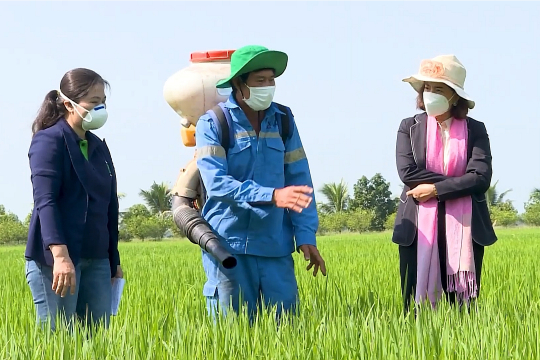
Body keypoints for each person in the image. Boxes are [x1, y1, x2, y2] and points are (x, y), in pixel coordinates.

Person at [195, 45, 326, 321]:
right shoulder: (214, 123)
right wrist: (272, 195)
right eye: (260, 81)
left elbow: (300, 181)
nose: (268, 86)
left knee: (286, 329)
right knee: (233, 334)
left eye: (271, 80)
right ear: (238, 84)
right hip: (228, 245)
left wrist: (305, 236)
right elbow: (216, 183)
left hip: (274, 244)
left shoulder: (283, 120)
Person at [392, 55, 497, 314]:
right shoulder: (409, 127)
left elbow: (481, 178)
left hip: (465, 227)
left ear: (454, 96)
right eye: (426, 88)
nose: (430, 94)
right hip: (419, 229)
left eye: (438, 89)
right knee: (415, 312)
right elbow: (408, 173)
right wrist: (462, 182)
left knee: (461, 312)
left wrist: (436, 190)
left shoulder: (476, 130)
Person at [25, 68, 123, 331]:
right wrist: (60, 255)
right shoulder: (49, 141)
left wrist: (114, 261)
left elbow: (109, 207)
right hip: (57, 262)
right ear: (68, 103)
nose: (100, 107)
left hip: (97, 260)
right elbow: (45, 201)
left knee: (96, 343)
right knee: (60, 342)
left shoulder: (98, 147)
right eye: (93, 101)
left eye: (103, 100)